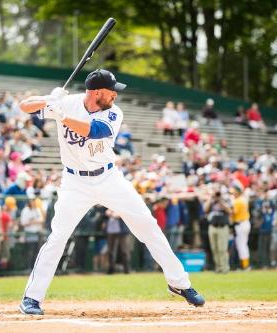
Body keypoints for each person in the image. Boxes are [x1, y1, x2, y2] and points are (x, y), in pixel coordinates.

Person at [17, 69, 204, 315]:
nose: (115, 94)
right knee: (58, 237)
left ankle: (179, 284)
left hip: (108, 178)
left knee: (147, 225)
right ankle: (32, 298)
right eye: (111, 90)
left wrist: (60, 116)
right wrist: (49, 100)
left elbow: (95, 131)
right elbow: (24, 107)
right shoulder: (68, 103)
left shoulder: (113, 112)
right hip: (74, 183)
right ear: (97, 92)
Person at [204, 190, 231, 273]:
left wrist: (221, 201)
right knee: (214, 248)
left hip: (222, 227)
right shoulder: (212, 201)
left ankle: (225, 268)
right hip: (212, 226)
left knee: (222, 249)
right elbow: (205, 209)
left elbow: (229, 211)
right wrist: (211, 198)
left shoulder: (226, 200)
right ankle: (218, 267)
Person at [20, 197, 45, 269]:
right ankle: (28, 268)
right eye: (32, 201)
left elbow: (41, 220)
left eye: (34, 200)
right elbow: (23, 223)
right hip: (29, 233)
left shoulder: (37, 209)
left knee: (37, 252)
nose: (33, 202)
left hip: (37, 233)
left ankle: (36, 267)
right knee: (30, 252)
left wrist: (32, 221)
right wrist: (33, 221)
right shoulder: (25, 210)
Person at [231, 185, 251, 270]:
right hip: (244, 223)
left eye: (234, 191)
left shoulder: (238, 201)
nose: (233, 193)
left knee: (242, 245)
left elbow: (233, 212)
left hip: (241, 224)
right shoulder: (242, 199)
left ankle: (245, 266)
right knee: (243, 245)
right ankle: (244, 265)